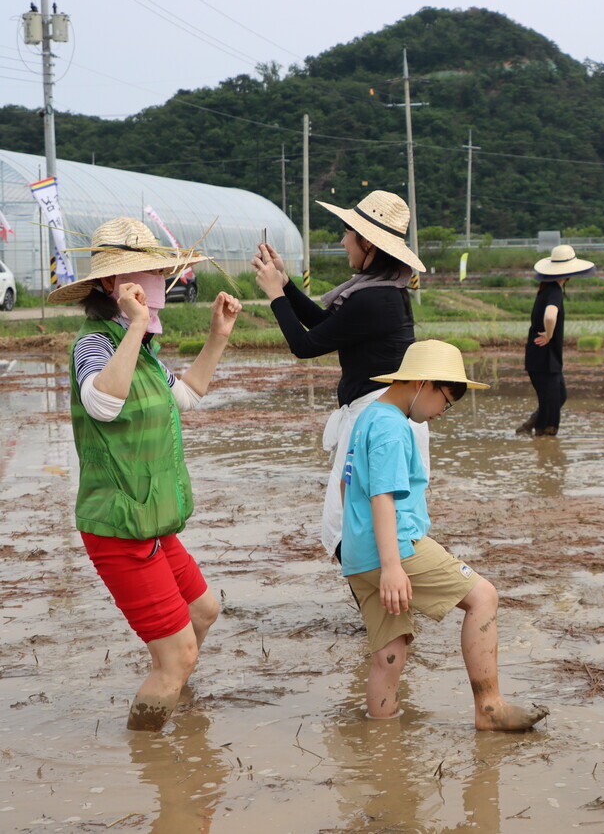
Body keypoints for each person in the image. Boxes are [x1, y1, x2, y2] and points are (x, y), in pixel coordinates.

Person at [50, 217, 242, 731]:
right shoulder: (93, 344)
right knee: (176, 654)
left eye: (161, 270)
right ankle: (148, 746)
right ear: (116, 287)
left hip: (150, 520)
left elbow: (187, 395)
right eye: (151, 271)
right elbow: (104, 406)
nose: (161, 281)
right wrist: (135, 325)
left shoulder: (147, 355)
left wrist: (217, 336)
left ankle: (174, 686)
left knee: (203, 611)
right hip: (118, 526)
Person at [340, 339, 549, 730]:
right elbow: (383, 498)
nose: (441, 412)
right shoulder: (392, 428)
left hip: (357, 554)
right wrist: (391, 566)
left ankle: (382, 742)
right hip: (395, 550)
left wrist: (360, 550)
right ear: (422, 383)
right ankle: (490, 708)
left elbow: (344, 487)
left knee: (389, 655)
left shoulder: (368, 417)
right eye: (445, 401)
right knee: (483, 597)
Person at [251, 190, 424, 556]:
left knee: (359, 526)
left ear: (369, 244)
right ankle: (381, 593)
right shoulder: (380, 290)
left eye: (348, 232)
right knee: (366, 523)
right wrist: (283, 283)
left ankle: (383, 595)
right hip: (379, 416)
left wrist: (274, 295)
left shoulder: (373, 298)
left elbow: (306, 345)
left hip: (377, 422)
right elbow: (323, 324)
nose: (343, 240)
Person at [517, 244, 596, 437]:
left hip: (543, 357)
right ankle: (544, 445)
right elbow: (550, 316)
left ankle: (531, 426)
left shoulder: (548, 289)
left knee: (559, 396)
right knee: (551, 406)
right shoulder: (554, 291)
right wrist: (549, 335)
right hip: (543, 356)